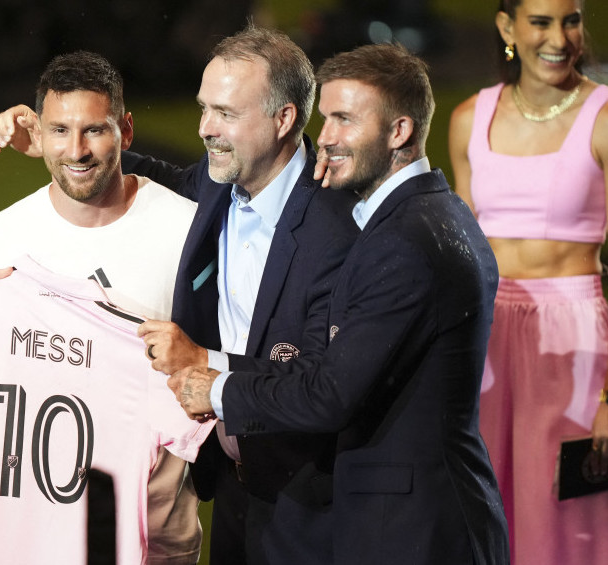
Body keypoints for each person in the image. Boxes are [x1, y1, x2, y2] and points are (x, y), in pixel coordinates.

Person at [0, 26, 359, 564]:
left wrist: (203, 365)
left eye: (225, 114)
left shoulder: (341, 225)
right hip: (233, 487)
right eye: (204, 108)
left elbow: (326, 385)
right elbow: (142, 177)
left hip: (308, 494)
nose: (204, 129)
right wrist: (67, 148)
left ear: (284, 119)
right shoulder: (214, 188)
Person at [169, 43, 510, 564]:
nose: (324, 138)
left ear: (398, 132)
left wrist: (216, 388)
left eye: (345, 120)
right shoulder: (433, 214)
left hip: (413, 530)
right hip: (415, 515)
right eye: (326, 118)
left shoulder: (401, 242)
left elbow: (330, 391)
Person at [0, 50, 204, 562]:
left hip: (156, 540)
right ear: (38, 135)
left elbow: (214, 367)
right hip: (24, 540)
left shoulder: (187, 232)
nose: (76, 150)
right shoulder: (1, 238)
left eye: (94, 130)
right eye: (59, 131)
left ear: (127, 130)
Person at [447, 1, 608, 563]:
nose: (558, 38)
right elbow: (460, 254)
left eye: (571, 20)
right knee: (486, 495)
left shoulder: (604, 114)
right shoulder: (470, 116)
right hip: (486, 335)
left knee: (566, 505)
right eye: (541, 22)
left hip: (575, 338)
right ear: (507, 26)